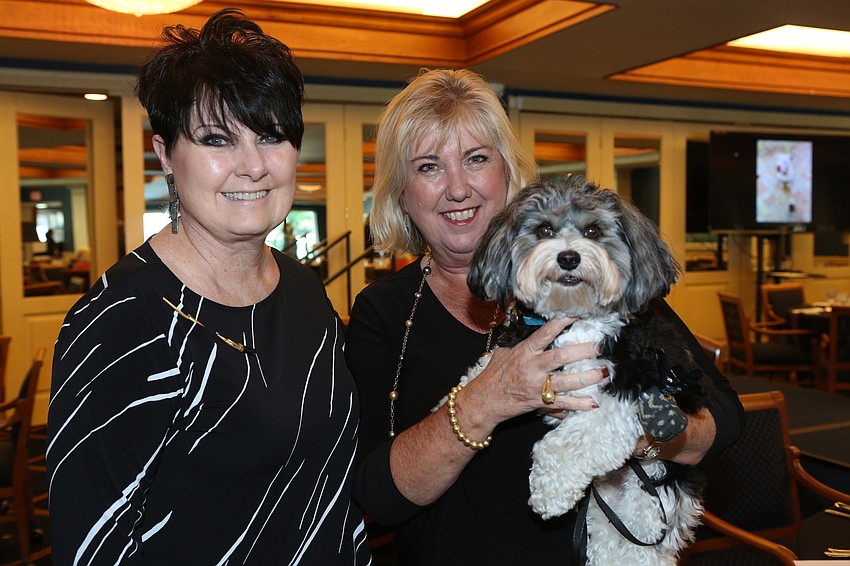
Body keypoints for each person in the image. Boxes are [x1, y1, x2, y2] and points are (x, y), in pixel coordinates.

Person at [344, 68, 745, 564]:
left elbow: (724, 418)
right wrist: (486, 399)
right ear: (401, 192)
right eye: (428, 167)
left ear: (507, 171)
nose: (457, 187)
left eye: (476, 159)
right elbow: (375, 496)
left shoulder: (601, 286)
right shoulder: (383, 311)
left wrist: (633, 434)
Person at [46, 10, 370, 564]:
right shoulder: (124, 317)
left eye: (270, 135)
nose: (252, 166)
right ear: (165, 156)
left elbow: (335, 482)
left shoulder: (302, 286)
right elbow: (92, 545)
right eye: (217, 139)